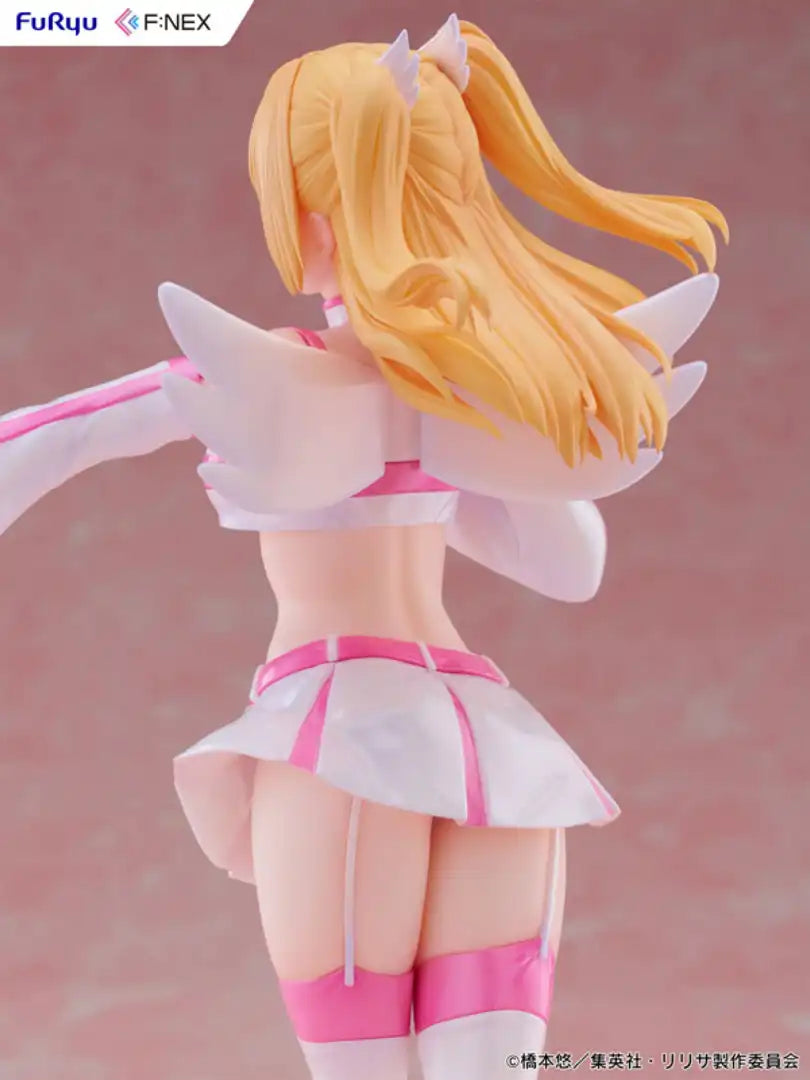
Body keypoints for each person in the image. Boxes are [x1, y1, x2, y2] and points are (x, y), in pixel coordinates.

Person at [0, 15, 727, 1079]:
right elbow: (572, 569)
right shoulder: (468, 397)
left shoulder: (274, 373)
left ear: (308, 208)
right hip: (487, 738)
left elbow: (48, 437)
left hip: (343, 728)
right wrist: (467, 439)